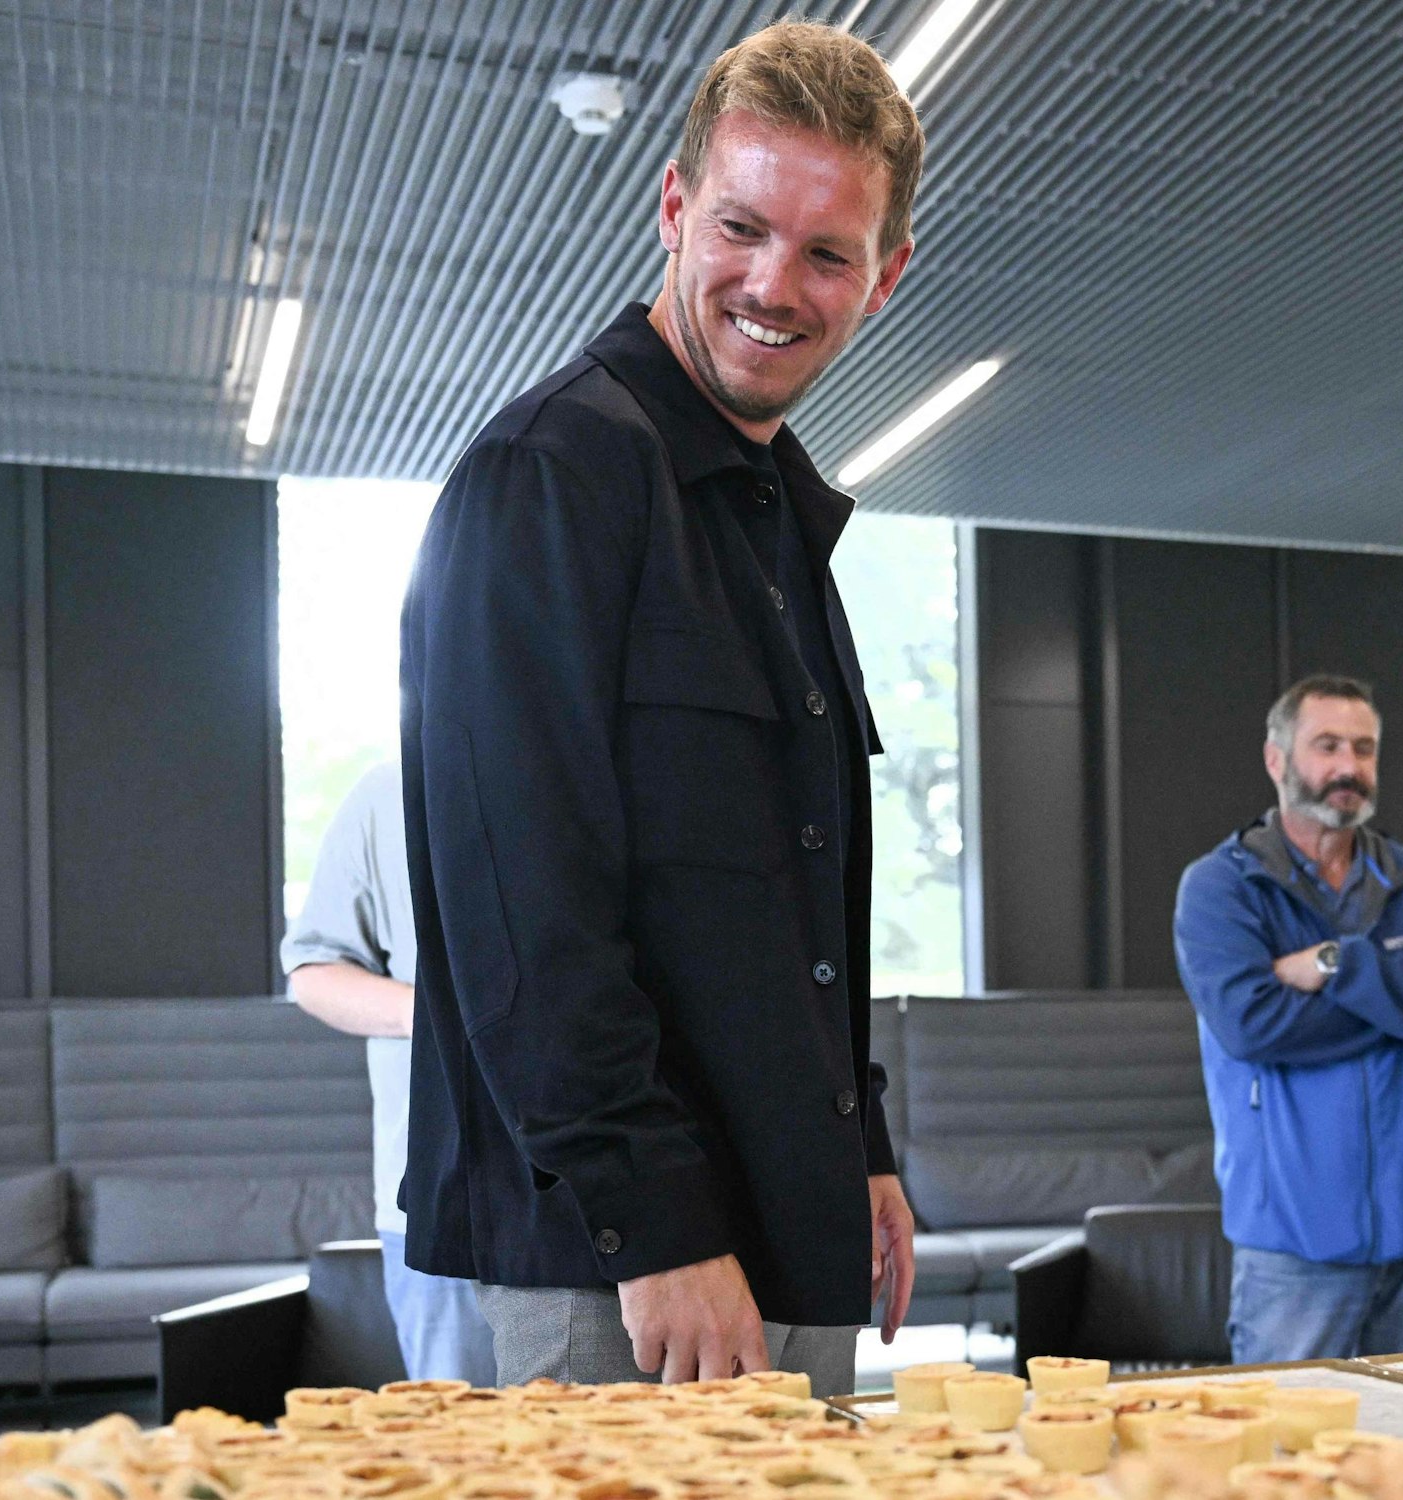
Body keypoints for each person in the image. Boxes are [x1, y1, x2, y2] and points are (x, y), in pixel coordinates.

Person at [396, 21, 923, 1396]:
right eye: (743, 227)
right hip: (620, 1261)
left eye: (827, 253)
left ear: (886, 278)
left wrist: (858, 1142)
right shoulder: (548, 476)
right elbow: (520, 907)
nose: (773, 284)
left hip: (786, 1223)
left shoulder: (774, 516)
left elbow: (788, 911)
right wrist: (659, 1225)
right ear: (677, 208)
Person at [1174, 675, 1403, 1363]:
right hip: (1293, 1251)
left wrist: (1339, 965)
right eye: (1326, 746)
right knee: (1289, 1460)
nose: (1348, 768)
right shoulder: (1221, 888)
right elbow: (1252, 1025)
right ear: (1277, 760)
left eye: (1363, 748)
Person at [280, 761, 497, 1384]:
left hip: (630, 1192)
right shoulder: (386, 794)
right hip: (442, 1191)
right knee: (459, 1454)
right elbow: (314, 970)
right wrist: (450, 1020)